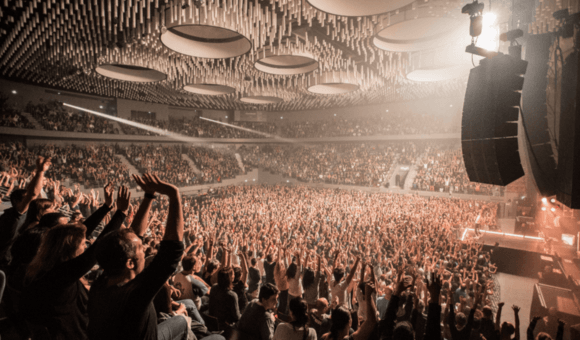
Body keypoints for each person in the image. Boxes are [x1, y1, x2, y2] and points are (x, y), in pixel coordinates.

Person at [20, 184, 129, 339]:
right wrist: (120, 213)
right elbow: (95, 250)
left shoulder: (47, 266)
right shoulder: (60, 275)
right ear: (69, 249)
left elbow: (83, 230)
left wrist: (107, 207)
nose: (86, 246)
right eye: (83, 244)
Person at [88, 174, 188, 340]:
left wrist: (148, 197)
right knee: (205, 333)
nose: (145, 250)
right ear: (130, 263)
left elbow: (131, 237)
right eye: (141, 249)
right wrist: (174, 193)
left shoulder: (101, 282)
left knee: (180, 321)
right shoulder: (135, 294)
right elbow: (172, 252)